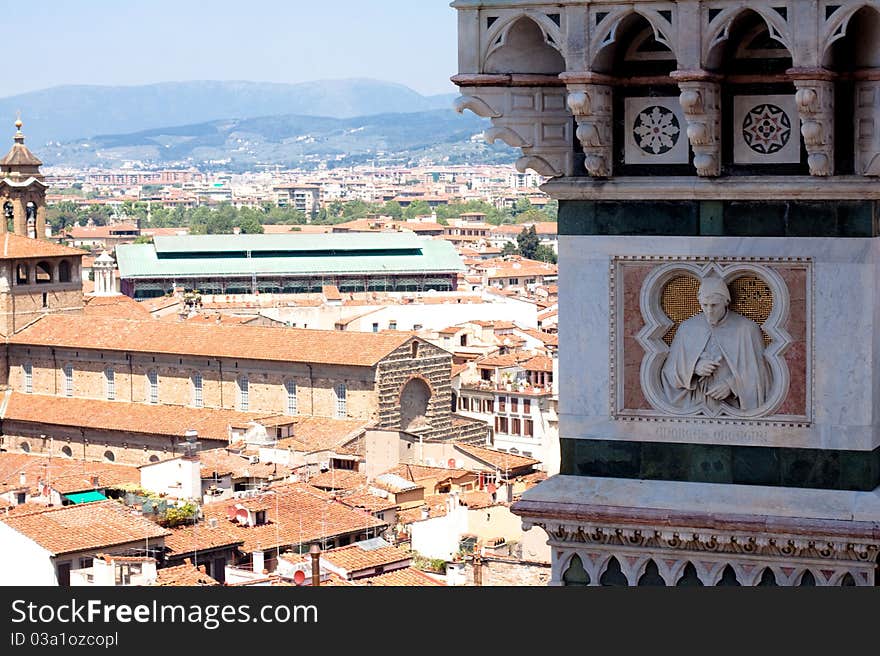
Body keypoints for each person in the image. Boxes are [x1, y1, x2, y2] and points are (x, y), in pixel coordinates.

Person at [660, 276, 771, 413]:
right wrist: (694, 368)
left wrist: (732, 385)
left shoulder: (746, 329)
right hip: (694, 405)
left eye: (714, 305)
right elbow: (669, 372)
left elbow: (760, 373)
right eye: (704, 305)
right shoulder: (687, 328)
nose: (709, 311)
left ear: (726, 302)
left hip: (734, 408)